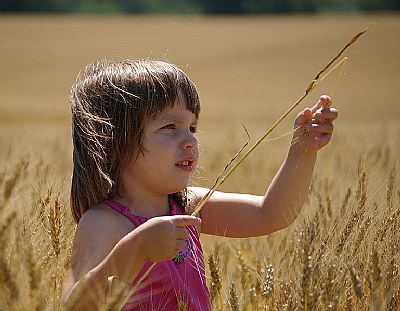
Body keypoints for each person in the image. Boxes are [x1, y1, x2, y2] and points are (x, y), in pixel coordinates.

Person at [63, 58, 338, 310]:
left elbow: (272, 214)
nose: (191, 141)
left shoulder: (189, 205)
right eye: (170, 127)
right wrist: (131, 252)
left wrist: (302, 152)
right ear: (115, 141)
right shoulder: (102, 222)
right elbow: (73, 305)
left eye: (192, 128)